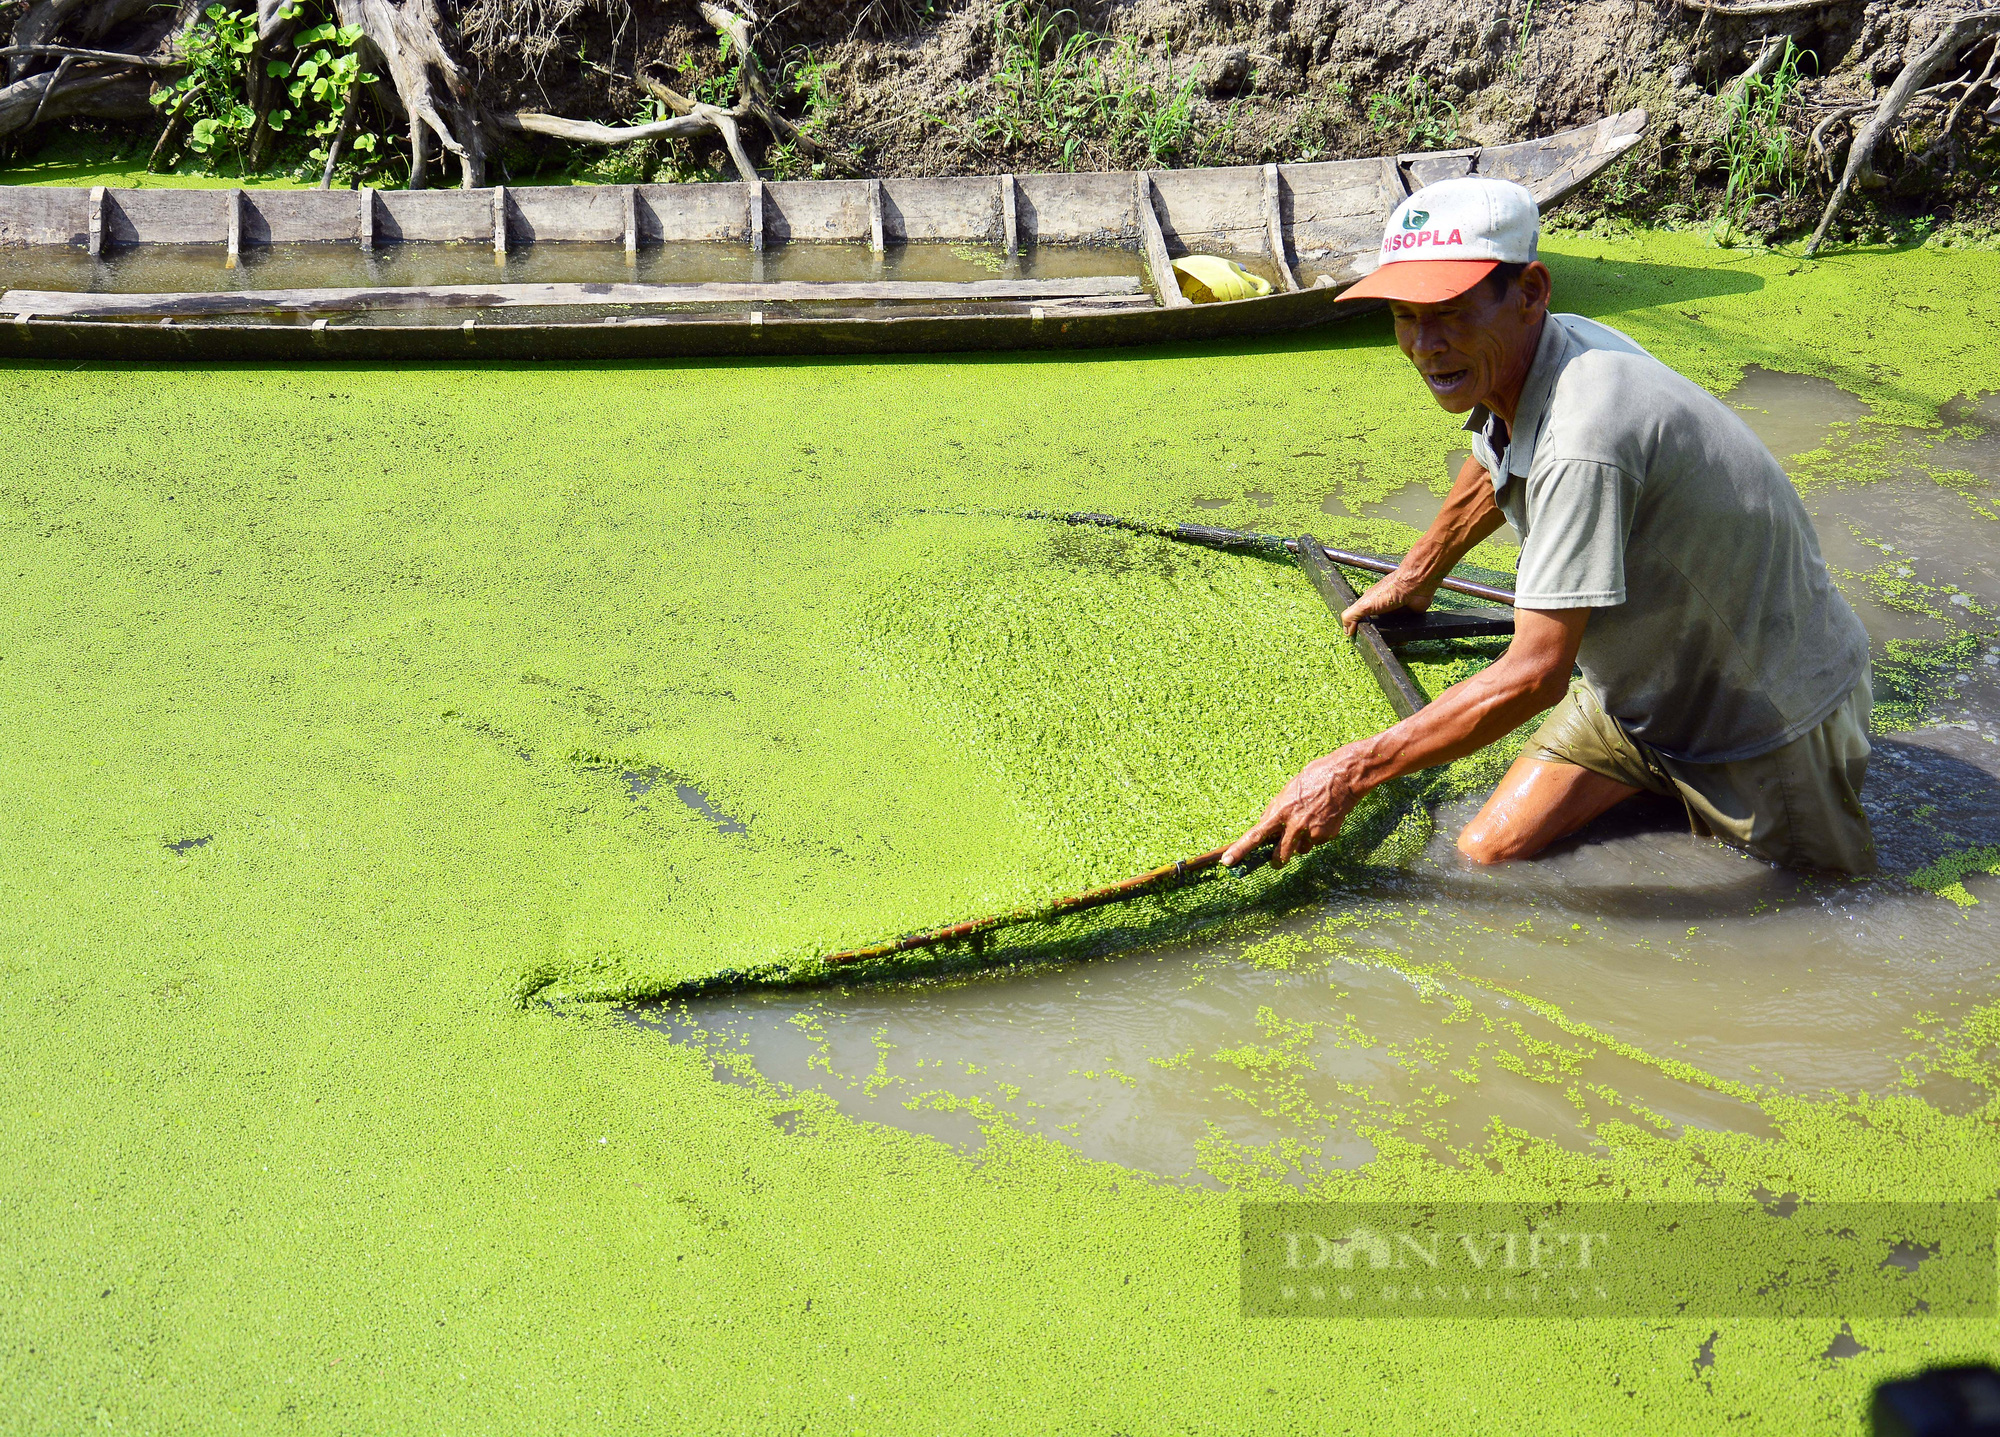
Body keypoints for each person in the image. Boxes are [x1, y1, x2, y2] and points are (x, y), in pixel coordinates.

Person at [1222, 176, 1877, 876]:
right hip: (1638, 697)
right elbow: (1496, 455)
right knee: (1483, 853)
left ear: (1531, 290)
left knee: (1814, 915)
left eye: (1448, 310)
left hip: (1767, 722)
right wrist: (1418, 574)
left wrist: (1351, 771)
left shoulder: (1585, 431)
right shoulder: (1529, 361)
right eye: (1404, 315)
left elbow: (1536, 674)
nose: (1425, 345)